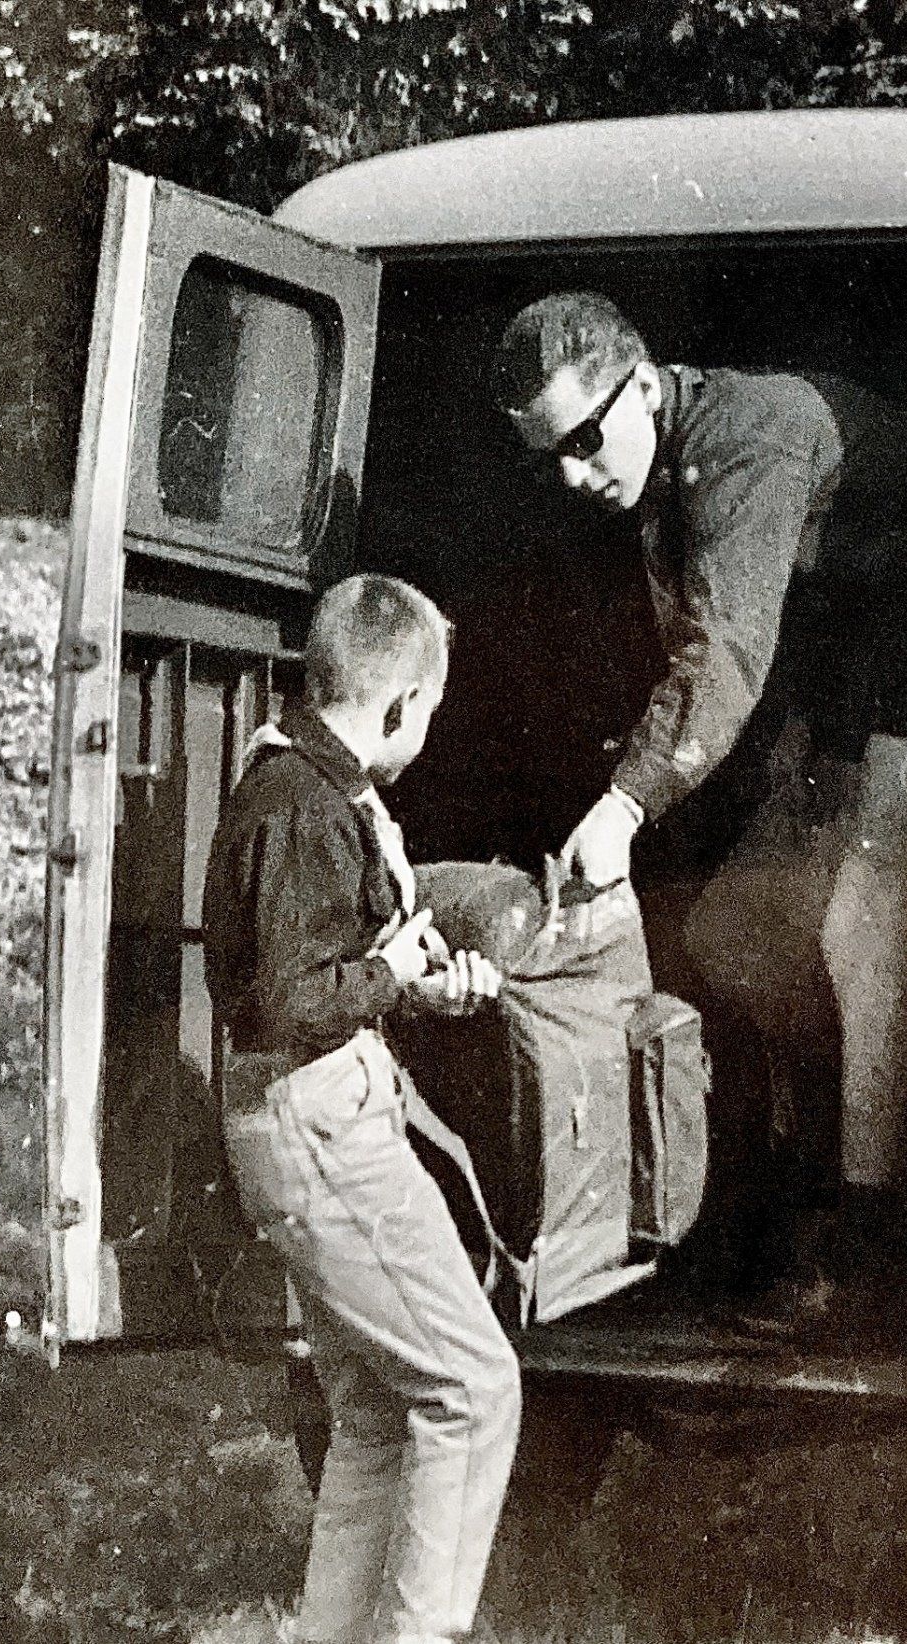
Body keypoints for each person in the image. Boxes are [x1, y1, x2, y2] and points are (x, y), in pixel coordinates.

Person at [491, 292, 907, 1329]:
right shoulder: (657, 464)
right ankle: (810, 1179)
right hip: (854, 682)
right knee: (736, 931)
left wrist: (623, 807)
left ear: (643, 384)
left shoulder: (750, 438)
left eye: (581, 437)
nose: (570, 472)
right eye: (546, 455)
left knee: (863, 936)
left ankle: (870, 1255)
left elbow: (726, 654)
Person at [202, 573, 516, 1644]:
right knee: (473, 1391)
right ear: (397, 707)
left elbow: (312, 973)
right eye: (426, 715)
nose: (423, 734)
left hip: (302, 1120)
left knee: (378, 1418)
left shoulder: (293, 783)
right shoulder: (305, 810)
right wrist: (388, 978)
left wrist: (409, 982)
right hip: (320, 1126)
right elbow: (294, 999)